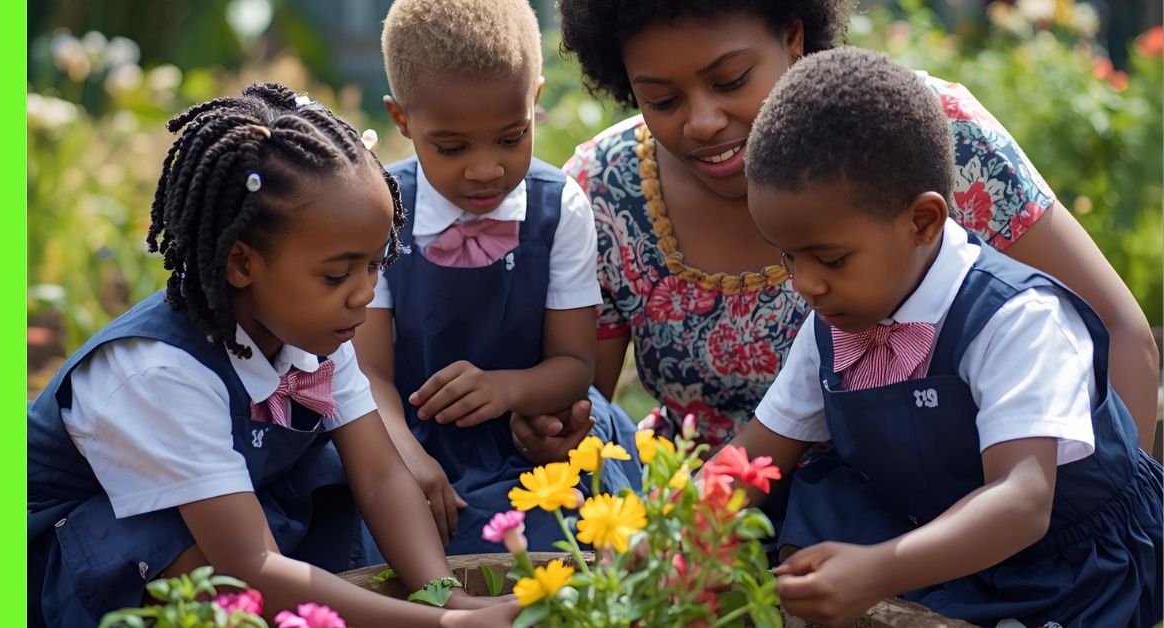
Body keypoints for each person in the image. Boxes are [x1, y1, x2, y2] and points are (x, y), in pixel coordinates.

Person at [547, 0, 1158, 452]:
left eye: (730, 80)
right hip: (729, 530)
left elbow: (1119, 334)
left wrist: (1107, 528)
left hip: (964, 525)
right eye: (661, 100)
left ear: (793, 35)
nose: (702, 121)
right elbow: (582, 409)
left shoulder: (928, 137)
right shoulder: (607, 193)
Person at [27, 83, 517, 628]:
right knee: (181, 544)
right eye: (337, 274)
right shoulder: (157, 373)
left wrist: (449, 600)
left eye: (376, 265)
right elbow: (248, 568)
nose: (364, 293)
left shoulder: (320, 330)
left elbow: (381, 476)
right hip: (62, 568)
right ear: (240, 264)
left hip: (230, 538)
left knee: (330, 474)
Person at [722, 48, 1162, 627]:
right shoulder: (834, 320)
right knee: (816, 501)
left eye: (829, 258)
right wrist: (676, 532)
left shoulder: (1016, 319)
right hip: (927, 513)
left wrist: (877, 570)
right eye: (788, 257)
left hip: (1062, 554)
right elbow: (756, 454)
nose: (805, 283)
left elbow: (1024, 501)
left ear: (923, 222)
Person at [353, 0, 641, 558]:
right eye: (452, 147)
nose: (486, 168)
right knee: (387, 549)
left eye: (511, 138)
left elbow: (574, 368)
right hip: (404, 439)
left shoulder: (561, 209)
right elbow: (367, 375)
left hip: (530, 441)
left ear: (534, 101)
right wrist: (404, 458)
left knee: (565, 552)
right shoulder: (381, 209)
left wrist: (504, 389)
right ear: (402, 120)